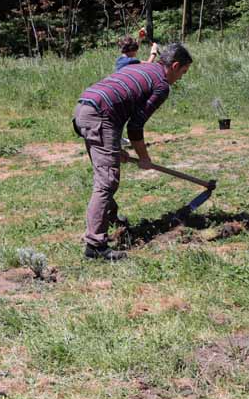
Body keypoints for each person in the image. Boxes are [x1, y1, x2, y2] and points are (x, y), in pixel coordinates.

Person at [73, 42, 193, 262]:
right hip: (101, 115)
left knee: (105, 172)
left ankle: (112, 219)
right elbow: (135, 127)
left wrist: (115, 148)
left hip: (85, 106)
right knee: (106, 181)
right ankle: (95, 247)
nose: (181, 77)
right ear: (175, 66)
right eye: (183, 72)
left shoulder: (139, 65)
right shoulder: (161, 84)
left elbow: (120, 98)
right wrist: (145, 158)